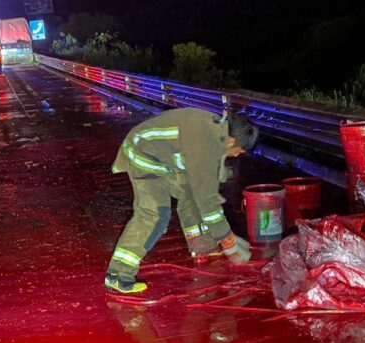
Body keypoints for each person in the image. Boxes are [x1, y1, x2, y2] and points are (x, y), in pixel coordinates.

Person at [104, 108, 259, 294]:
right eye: (238, 151)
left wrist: (208, 190)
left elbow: (203, 179)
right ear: (232, 141)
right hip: (144, 154)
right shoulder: (205, 141)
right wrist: (228, 241)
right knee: (154, 215)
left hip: (163, 156)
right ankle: (118, 275)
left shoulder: (216, 130)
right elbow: (207, 203)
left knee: (191, 193)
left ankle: (202, 245)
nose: (236, 155)